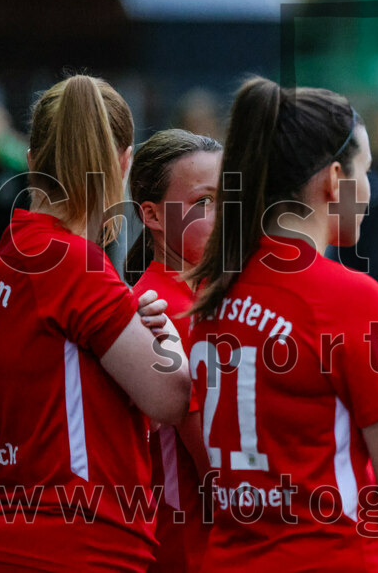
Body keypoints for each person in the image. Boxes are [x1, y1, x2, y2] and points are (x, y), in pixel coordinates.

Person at [187, 76, 378, 571]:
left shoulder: (213, 289)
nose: (370, 189)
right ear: (334, 179)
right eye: (366, 171)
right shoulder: (349, 297)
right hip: (333, 554)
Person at [0, 74, 191, 570]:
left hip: (22, 531)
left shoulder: (8, 258)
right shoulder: (72, 265)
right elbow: (170, 397)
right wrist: (167, 335)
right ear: (123, 164)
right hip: (81, 539)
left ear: (32, 160)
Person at [125, 128, 223, 572]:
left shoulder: (226, 300)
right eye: (203, 202)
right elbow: (218, 473)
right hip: (190, 553)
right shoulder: (155, 313)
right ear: (152, 215)